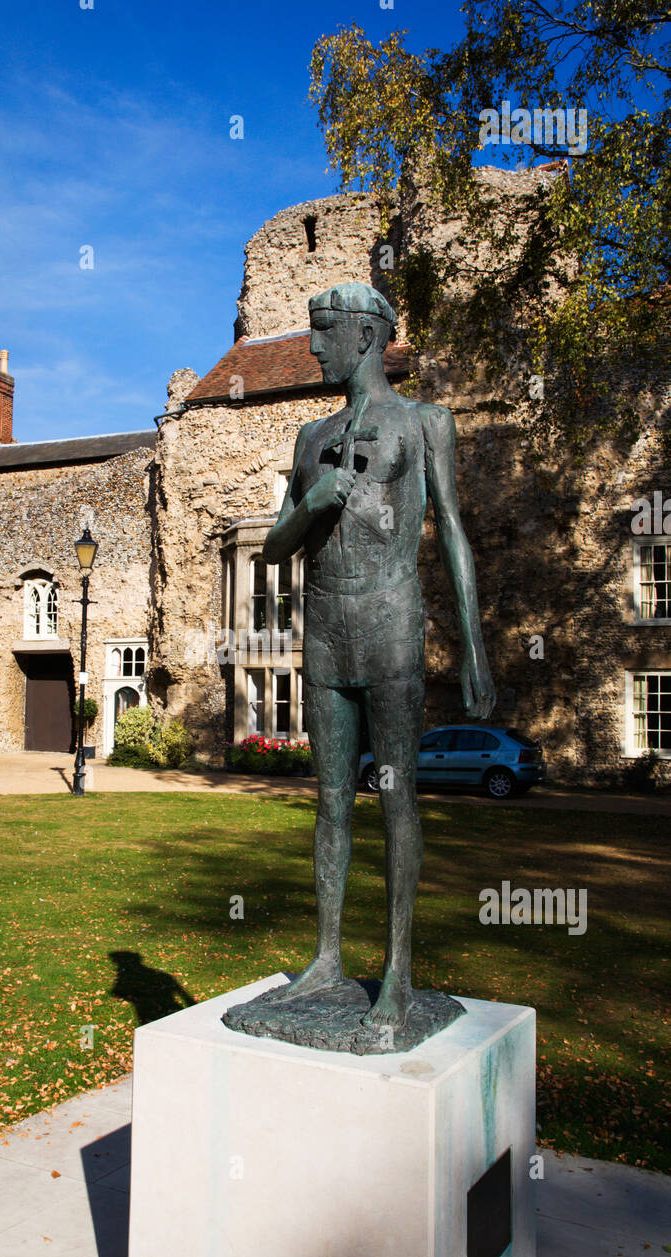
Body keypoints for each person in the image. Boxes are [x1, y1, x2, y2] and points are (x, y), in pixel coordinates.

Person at [261, 282, 494, 1032]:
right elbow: (273, 549)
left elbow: (453, 530)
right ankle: (327, 958)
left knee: (397, 799)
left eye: (322, 333)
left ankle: (398, 970)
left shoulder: (425, 423)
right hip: (326, 622)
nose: (312, 348)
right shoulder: (310, 437)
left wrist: (474, 644)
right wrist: (313, 500)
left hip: (391, 618)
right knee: (331, 801)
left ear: (363, 335)